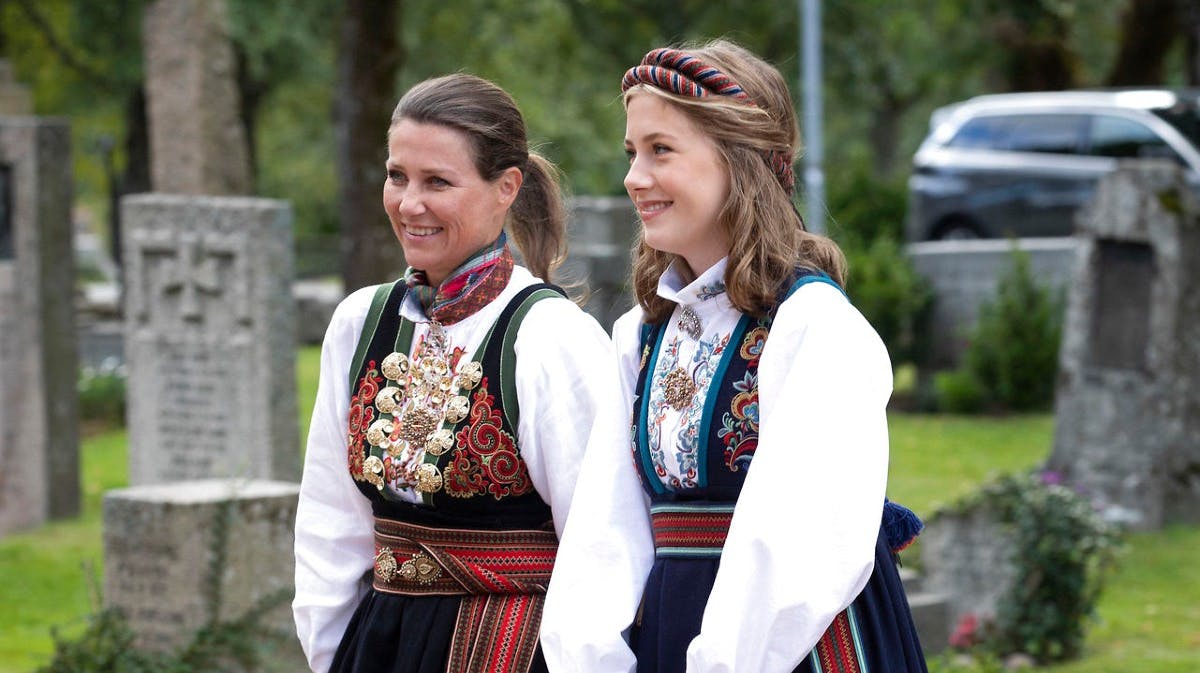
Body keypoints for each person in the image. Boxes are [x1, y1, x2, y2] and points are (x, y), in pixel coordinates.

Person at [540, 41, 928, 673]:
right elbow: (604, 531)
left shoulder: (813, 327)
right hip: (674, 630)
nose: (635, 177)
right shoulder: (640, 334)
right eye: (632, 153)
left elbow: (800, 545)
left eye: (661, 150)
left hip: (790, 649)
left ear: (738, 162)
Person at [293, 73, 616, 673]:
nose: (409, 203)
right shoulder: (360, 322)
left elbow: (600, 545)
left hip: (511, 649)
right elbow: (330, 520)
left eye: (437, 182)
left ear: (506, 188)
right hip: (378, 642)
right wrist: (331, 654)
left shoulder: (551, 338)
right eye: (397, 176)